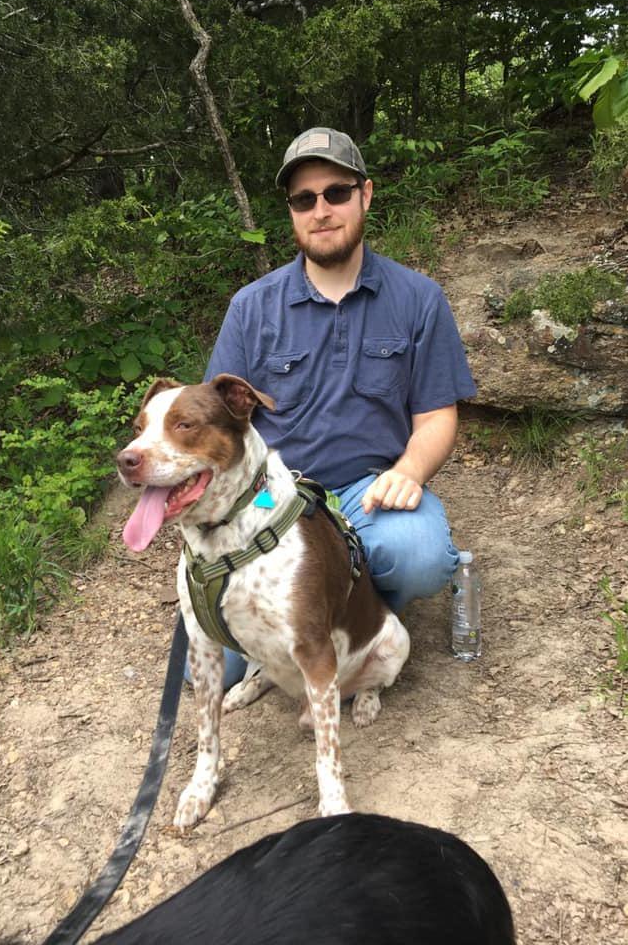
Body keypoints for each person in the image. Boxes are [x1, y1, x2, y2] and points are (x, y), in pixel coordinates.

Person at [196, 127, 477, 689]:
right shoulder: (251, 308)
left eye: (336, 193)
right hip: (275, 494)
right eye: (305, 199)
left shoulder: (418, 299)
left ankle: (362, 622)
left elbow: (436, 418)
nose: (321, 210)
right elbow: (214, 426)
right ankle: (294, 621)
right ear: (293, 213)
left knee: (418, 554)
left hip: (369, 491)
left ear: (365, 196)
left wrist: (410, 471)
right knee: (206, 672)